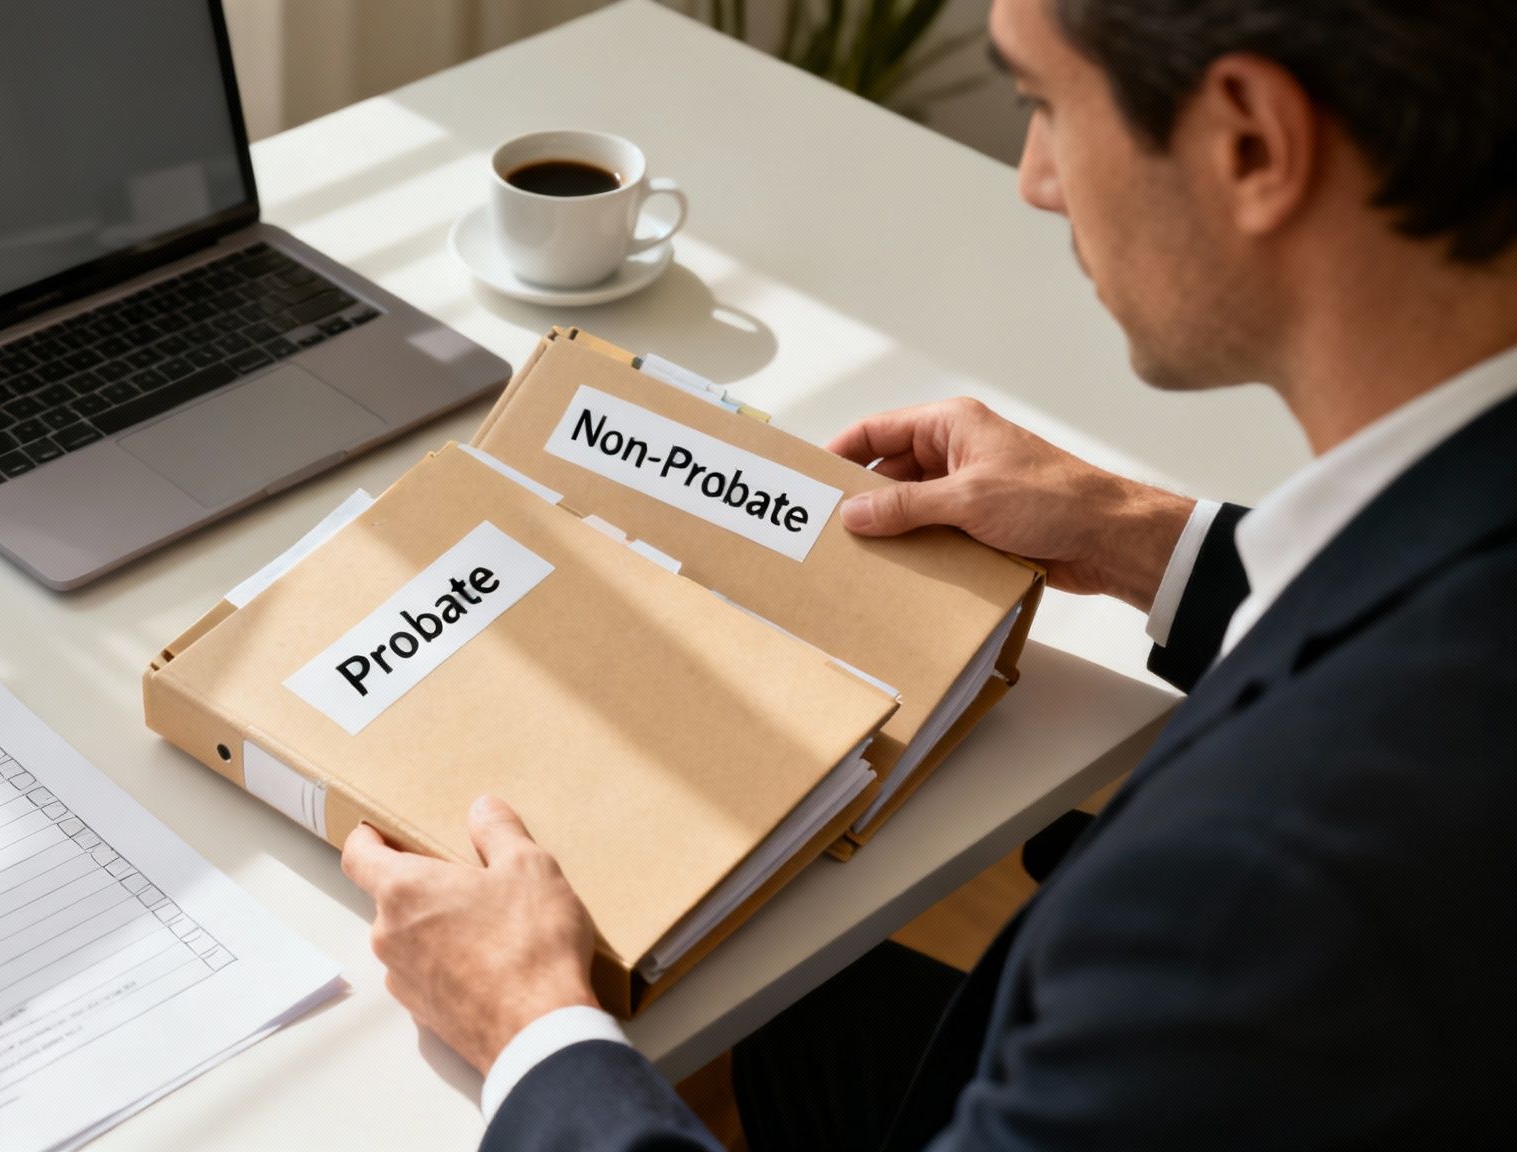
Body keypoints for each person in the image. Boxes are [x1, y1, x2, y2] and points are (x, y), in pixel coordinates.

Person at [340, 0, 1517, 1147]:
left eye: (1043, 102)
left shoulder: (1258, 890)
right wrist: (1135, 533)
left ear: (1248, 143)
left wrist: (529, 1031)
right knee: (803, 1019)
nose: (1032, 179)